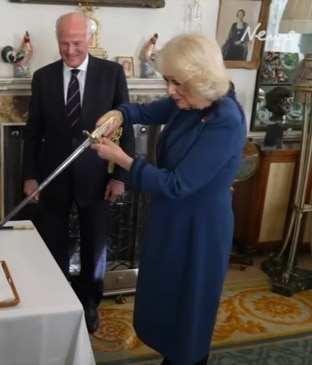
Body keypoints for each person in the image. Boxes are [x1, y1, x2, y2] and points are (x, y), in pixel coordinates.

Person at [91, 33, 247, 364]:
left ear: (202, 78)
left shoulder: (226, 120)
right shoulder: (187, 102)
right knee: (164, 300)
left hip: (200, 229)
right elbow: (144, 112)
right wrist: (119, 114)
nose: (170, 91)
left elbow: (178, 184)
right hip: (170, 218)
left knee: (188, 312)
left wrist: (121, 158)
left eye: (177, 83)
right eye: (167, 81)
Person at [21, 11, 133, 334]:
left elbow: (126, 126)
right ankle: (56, 300)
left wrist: (120, 176)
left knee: (94, 243)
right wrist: (30, 176)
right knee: (52, 240)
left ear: (90, 40)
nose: (70, 50)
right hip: (52, 176)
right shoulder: (42, 77)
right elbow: (32, 132)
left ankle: (89, 303)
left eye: (77, 43)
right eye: (64, 43)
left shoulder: (112, 74)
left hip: (96, 177)